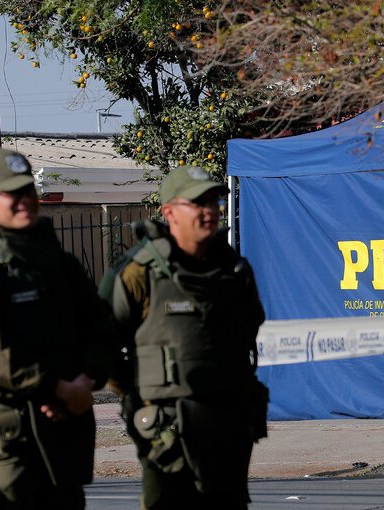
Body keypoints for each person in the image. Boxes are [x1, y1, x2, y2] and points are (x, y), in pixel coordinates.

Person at [0, 148, 116, 509]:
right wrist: (55, 388)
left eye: (27, 191)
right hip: (11, 449)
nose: (23, 201)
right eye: (11, 194)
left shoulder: (58, 262)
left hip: (65, 437)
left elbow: (103, 328)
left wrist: (85, 381)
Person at [105, 165, 266, 509]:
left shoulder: (234, 269)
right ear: (169, 212)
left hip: (229, 422)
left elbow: (250, 328)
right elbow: (102, 345)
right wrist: (139, 396)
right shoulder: (138, 272)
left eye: (213, 201)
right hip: (167, 430)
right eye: (198, 203)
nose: (209, 211)